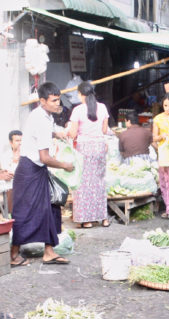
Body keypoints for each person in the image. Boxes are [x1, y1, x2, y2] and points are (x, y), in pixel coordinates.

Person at [11, 82, 73, 267]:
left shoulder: (44, 115)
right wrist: (65, 165)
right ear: (42, 101)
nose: (57, 103)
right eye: (53, 100)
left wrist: (56, 134)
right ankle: (13, 254)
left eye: (58, 99)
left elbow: (42, 133)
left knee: (49, 208)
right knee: (24, 212)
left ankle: (49, 251)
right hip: (29, 170)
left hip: (37, 170)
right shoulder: (40, 119)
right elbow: (45, 157)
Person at [68, 82, 110, 228]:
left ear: (80, 94)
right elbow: (104, 130)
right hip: (99, 147)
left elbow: (72, 133)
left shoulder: (78, 110)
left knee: (84, 184)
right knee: (99, 182)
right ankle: (103, 217)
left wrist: (68, 131)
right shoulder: (103, 107)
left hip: (84, 148)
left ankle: (86, 220)